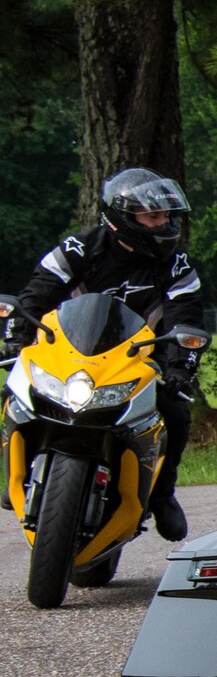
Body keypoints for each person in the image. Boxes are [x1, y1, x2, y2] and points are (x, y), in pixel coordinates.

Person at [5, 168, 204, 541]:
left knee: (175, 411)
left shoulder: (177, 265)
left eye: (166, 216)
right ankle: (18, 470)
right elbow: (36, 294)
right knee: (16, 391)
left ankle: (162, 494)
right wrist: (18, 339)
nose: (164, 224)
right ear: (122, 219)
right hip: (69, 354)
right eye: (153, 217)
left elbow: (185, 319)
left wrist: (180, 367)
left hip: (140, 359)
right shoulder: (78, 249)